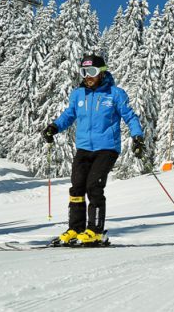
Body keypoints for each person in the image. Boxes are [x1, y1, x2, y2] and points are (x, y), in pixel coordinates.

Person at [42, 54, 145, 246]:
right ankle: (76, 228)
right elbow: (69, 115)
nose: (88, 76)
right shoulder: (78, 94)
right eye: (84, 72)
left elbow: (130, 117)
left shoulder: (115, 94)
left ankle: (96, 231)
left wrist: (137, 137)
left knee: (93, 186)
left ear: (102, 72)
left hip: (107, 148)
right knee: (77, 187)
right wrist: (54, 127)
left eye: (92, 71)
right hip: (83, 148)